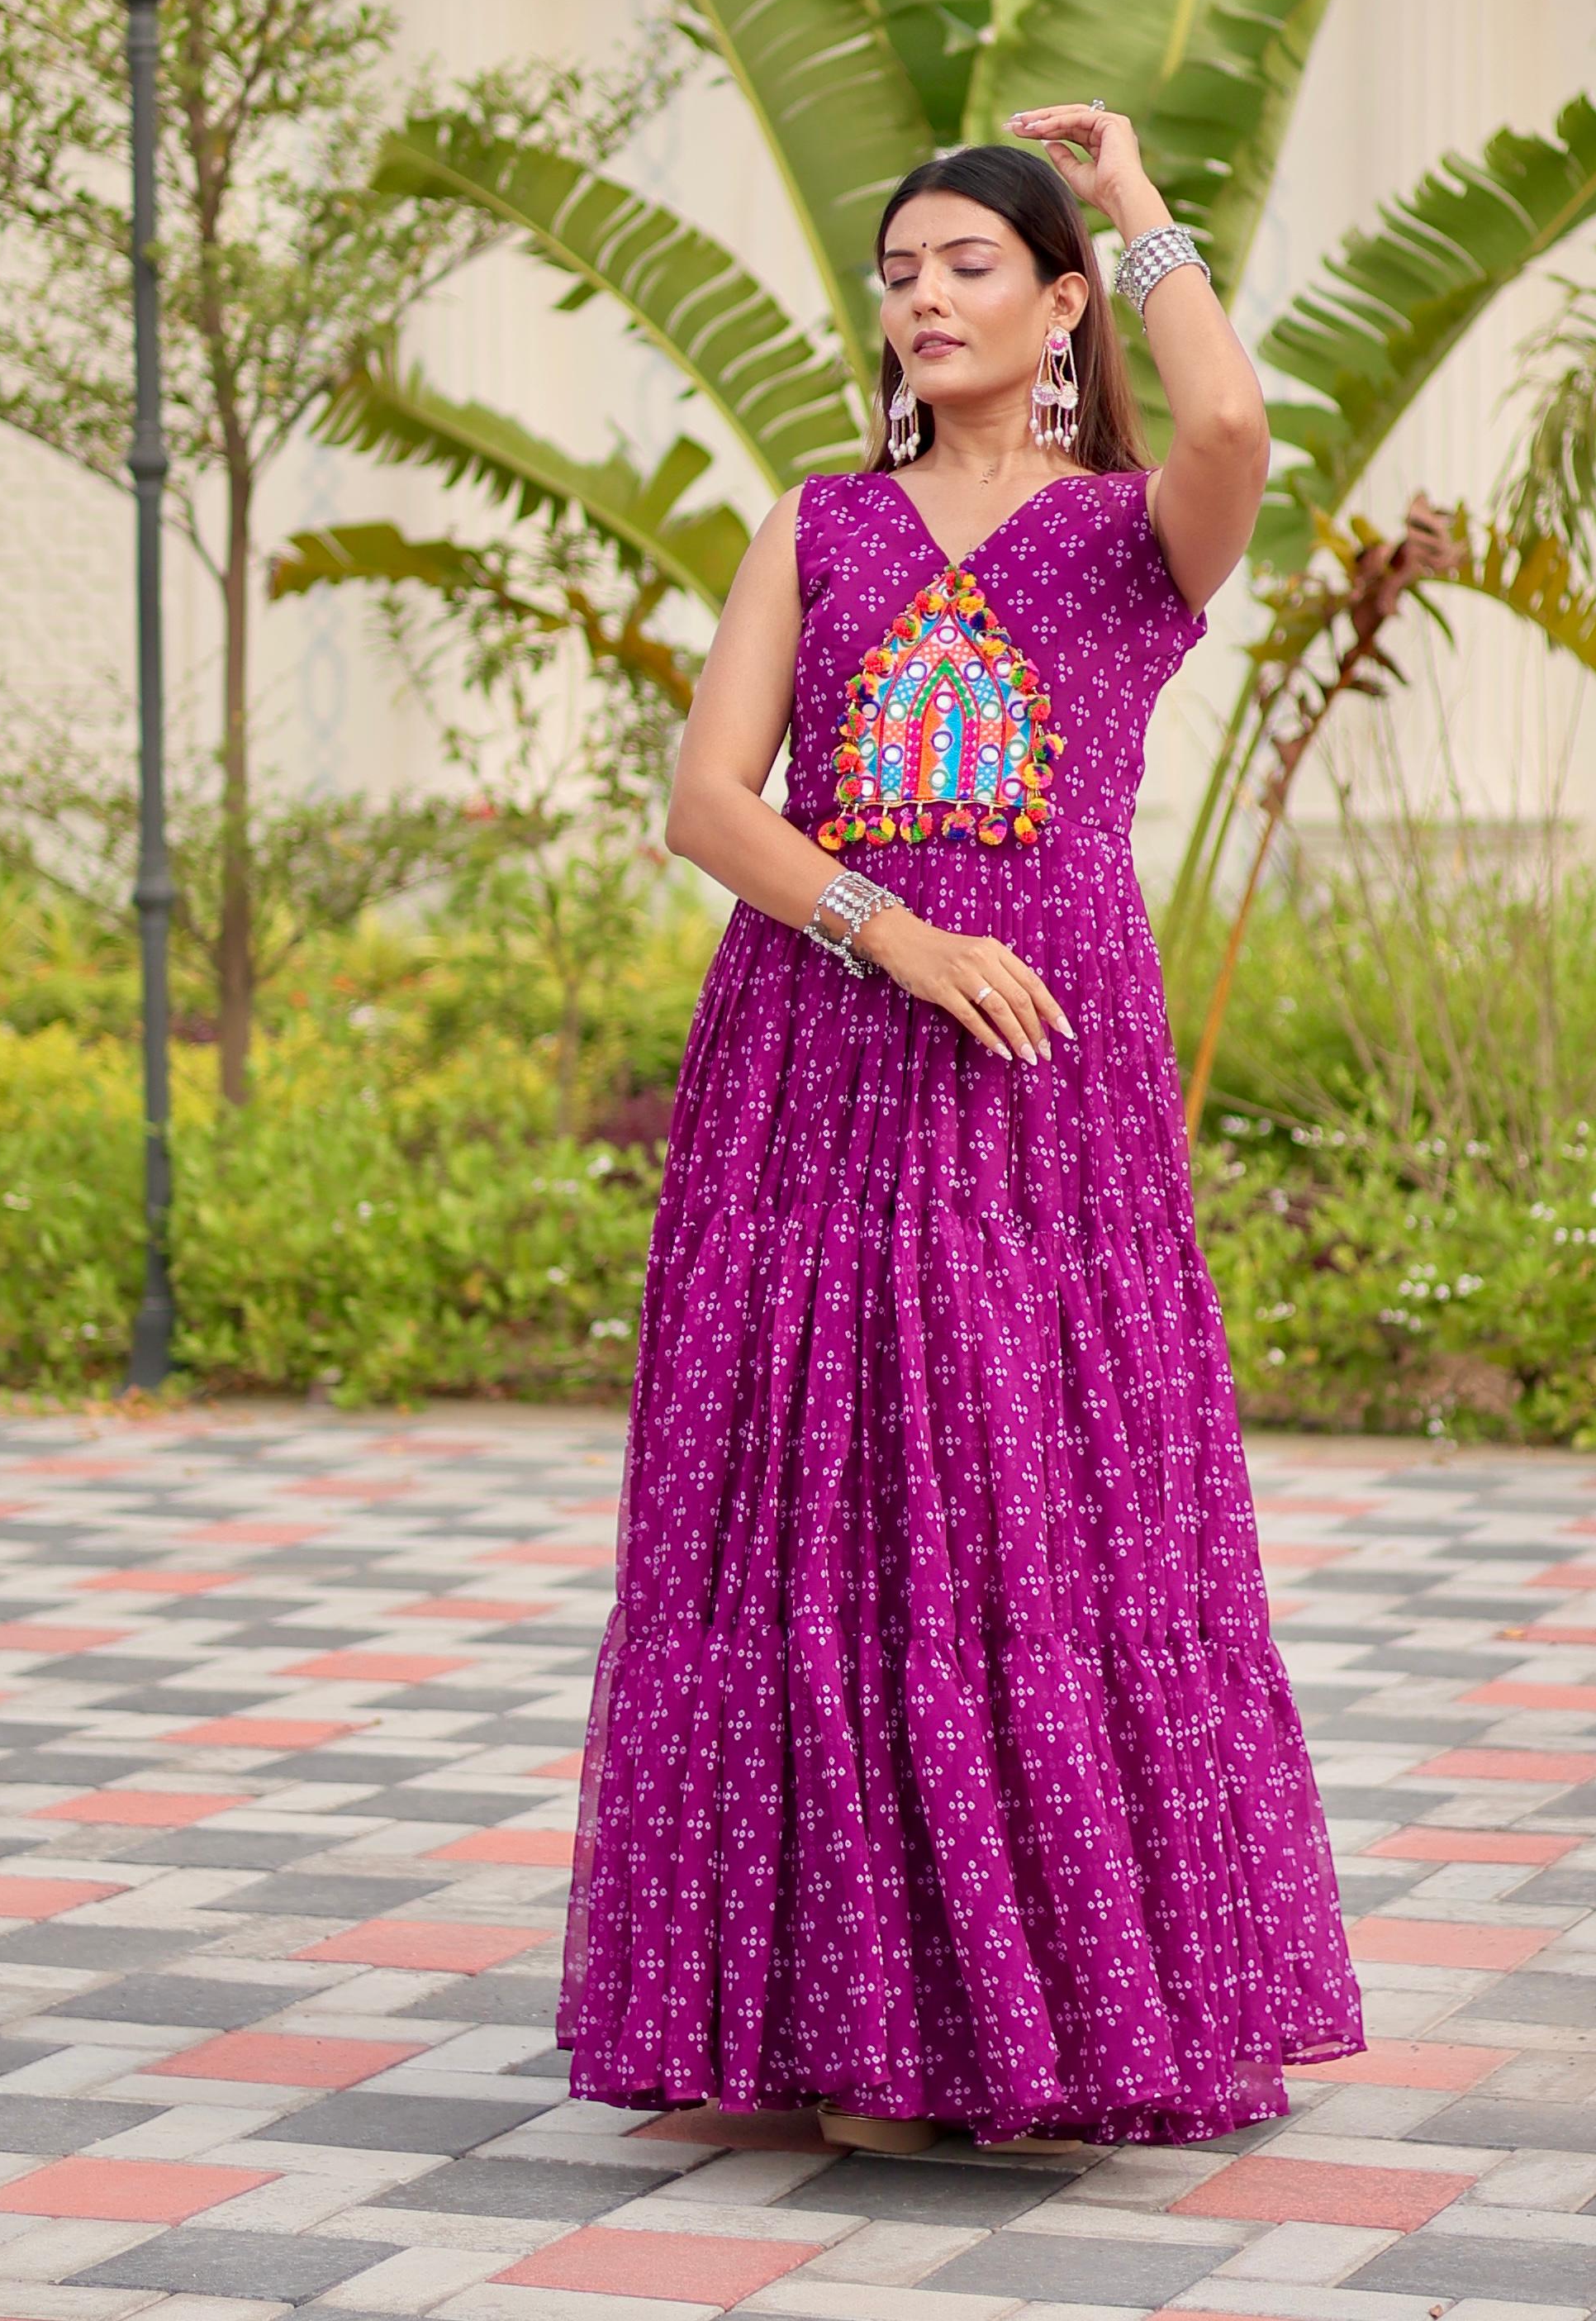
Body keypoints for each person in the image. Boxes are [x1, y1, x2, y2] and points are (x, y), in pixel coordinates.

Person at [557, 104, 1364, 2152]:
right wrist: (891, 932)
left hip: (1046, 1079)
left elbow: (1240, 428)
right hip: (822, 1056)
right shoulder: (816, 524)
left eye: (967, 266)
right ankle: (848, 2027)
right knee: (827, 1504)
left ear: (1060, 304)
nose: (922, 296)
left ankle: (1031, 2016)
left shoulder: (1130, 538)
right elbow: (711, 802)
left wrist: (1140, 202)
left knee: (1020, 1494)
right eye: (899, 269)